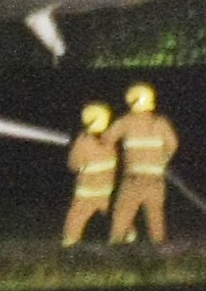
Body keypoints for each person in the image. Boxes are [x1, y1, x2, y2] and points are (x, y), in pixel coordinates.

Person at [106, 81, 178, 243]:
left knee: (123, 212)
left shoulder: (126, 122)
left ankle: (116, 243)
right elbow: (173, 144)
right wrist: (162, 161)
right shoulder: (160, 122)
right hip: (156, 180)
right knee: (155, 214)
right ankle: (159, 246)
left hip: (134, 179)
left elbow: (108, 139)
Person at [60, 102, 118, 246]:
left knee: (77, 216)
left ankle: (70, 241)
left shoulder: (83, 141)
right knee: (115, 213)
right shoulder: (109, 141)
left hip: (87, 190)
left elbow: (73, 164)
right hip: (106, 189)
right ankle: (126, 235)